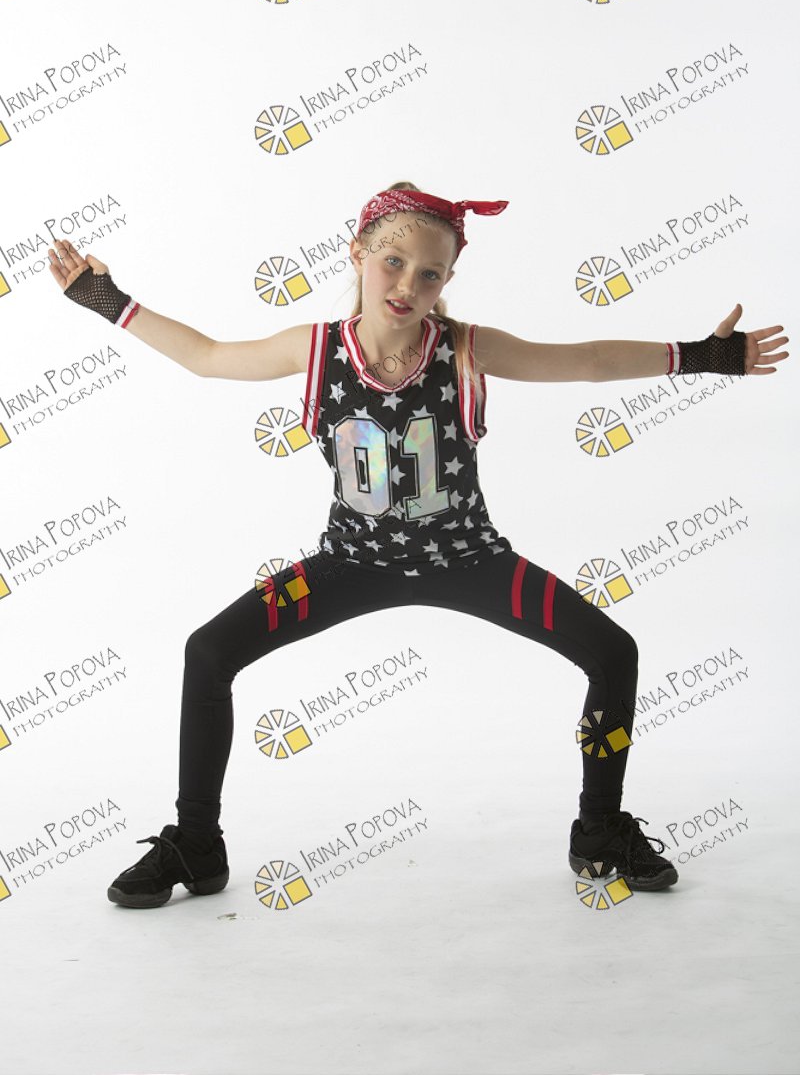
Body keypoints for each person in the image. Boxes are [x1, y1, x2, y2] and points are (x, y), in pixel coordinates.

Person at [48, 181, 789, 910]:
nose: (408, 284)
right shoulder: (316, 349)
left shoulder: (465, 350)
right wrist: (108, 300)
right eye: (393, 262)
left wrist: (703, 355)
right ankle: (196, 842)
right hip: (347, 565)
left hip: (471, 561)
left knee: (613, 652)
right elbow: (207, 354)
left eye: (430, 273)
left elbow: (587, 361)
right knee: (209, 652)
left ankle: (598, 831)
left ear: (448, 281)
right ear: (358, 255)